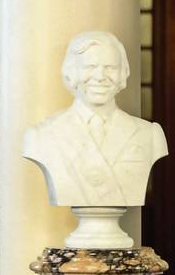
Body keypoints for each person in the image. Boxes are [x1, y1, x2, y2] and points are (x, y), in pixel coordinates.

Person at [23, 30, 168, 206]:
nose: (100, 77)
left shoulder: (149, 134)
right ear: (71, 72)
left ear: (123, 73)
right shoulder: (41, 135)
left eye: (110, 68)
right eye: (89, 67)